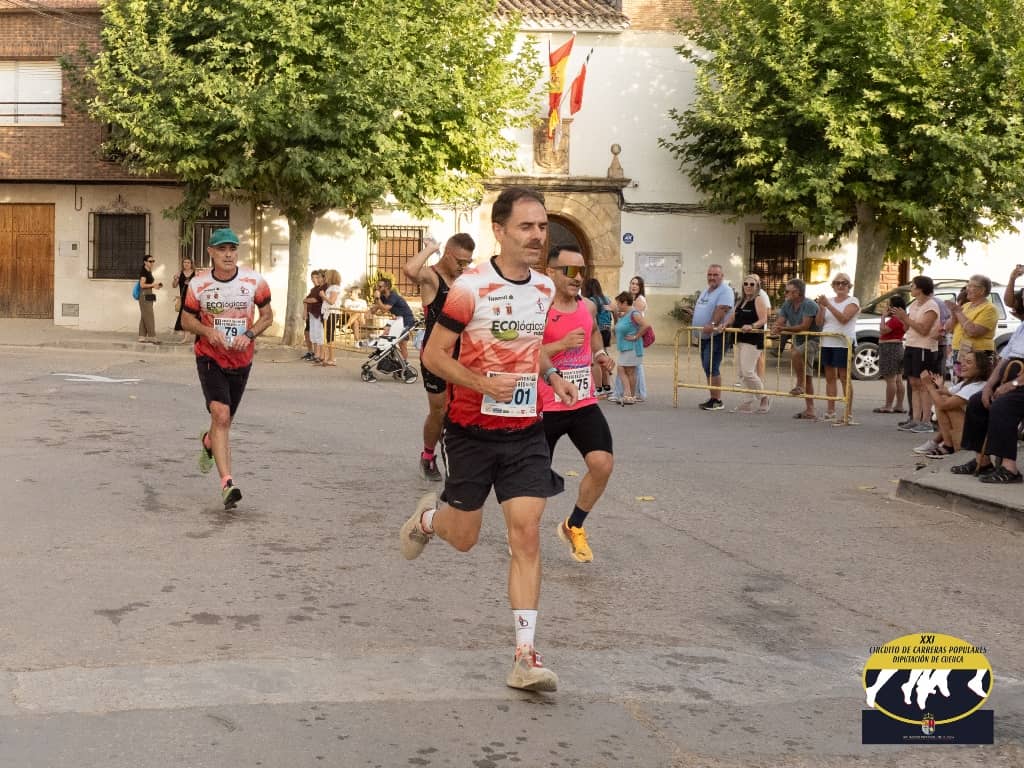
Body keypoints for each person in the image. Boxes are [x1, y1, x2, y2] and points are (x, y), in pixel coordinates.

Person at [397, 187, 578, 692]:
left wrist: (552, 376)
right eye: (526, 226)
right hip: (471, 432)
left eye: (541, 227)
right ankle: (429, 519)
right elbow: (433, 356)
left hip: (525, 431)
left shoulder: (543, 288)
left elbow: (530, 350)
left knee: (527, 535)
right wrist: (480, 383)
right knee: (464, 538)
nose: (537, 235)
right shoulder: (469, 288)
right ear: (499, 231)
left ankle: (525, 655)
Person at [181, 228, 273, 510]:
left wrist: (250, 334)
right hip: (210, 357)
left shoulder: (254, 281)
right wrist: (207, 331)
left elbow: (267, 316)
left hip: (241, 360)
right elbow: (186, 320)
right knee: (220, 414)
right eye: (222, 249)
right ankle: (227, 484)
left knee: (224, 422)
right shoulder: (198, 284)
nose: (228, 254)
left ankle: (209, 441)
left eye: (232, 248)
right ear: (211, 252)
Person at [541, 245, 615, 563]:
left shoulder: (588, 305)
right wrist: (561, 344)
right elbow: (527, 351)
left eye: (581, 271)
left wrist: (600, 354)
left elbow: (594, 332)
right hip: (544, 404)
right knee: (533, 477)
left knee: (602, 464)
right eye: (569, 270)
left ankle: (574, 525)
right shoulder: (539, 309)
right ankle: (520, 530)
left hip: (582, 401)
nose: (577, 277)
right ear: (550, 272)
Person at [402, 232, 476, 481]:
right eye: (460, 261)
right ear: (447, 255)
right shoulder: (432, 278)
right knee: (440, 411)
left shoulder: (467, 279)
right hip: (435, 356)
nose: (464, 266)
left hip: (464, 354)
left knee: (465, 410)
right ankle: (428, 455)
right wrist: (430, 249)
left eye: (468, 262)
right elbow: (410, 270)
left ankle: (462, 460)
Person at [950, 325, 1024, 482]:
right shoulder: (1021, 328)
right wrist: (988, 386)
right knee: (977, 401)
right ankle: (982, 461)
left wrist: (1014, 384)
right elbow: (1004, 360)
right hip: (1010, 380)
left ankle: (1009, 468)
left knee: (1002, 406)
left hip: (1019, 383)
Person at [915, 351, 993, 457]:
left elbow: (943, 404)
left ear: (980, 368)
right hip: (972, 430)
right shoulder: (966, 383)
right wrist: (936, 386)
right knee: (943, 400)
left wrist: (929, 386)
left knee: (944, 403)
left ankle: (948, 446)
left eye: (968, 362)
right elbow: (945, 392)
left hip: (977, 436)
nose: (963, 364)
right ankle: (940, 443)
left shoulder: (977, 386)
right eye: (963, 361)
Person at [890, 276, 941, 434]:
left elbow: (924, 330)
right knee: (913, 383)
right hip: (911, 345)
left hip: (924, 348)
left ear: (920, 288)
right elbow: (907, 328)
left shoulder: (931, 306)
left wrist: (906, 318)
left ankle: (926, 421)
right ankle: (916, 419)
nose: (911, 289)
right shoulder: (914, 305)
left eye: (913, 286)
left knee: (924, 384)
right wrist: (902, 319)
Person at [772, 278, 820, 420]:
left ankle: (800, 384)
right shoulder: (787, 304)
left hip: (813, 340)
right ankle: (810, 409)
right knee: (808, 376)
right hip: (799, 340)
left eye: (788, 291)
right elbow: (780, 321)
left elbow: (804, 326)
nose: (785, 293)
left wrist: (783, 329)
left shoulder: (809, 304)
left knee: (796, 353)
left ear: (797, 292)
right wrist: (776, 327)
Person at [815, 272, 859, 422]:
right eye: (837, 283)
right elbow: (819, 322)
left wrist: (828, 305)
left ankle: (848, 412)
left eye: (844, 283)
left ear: (849, 286)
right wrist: (821, 308)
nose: (840, 285)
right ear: (833, 286)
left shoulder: (853, 301)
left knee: (844, 377)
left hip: (843, 343)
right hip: (827, 341)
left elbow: (844, 319)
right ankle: (830, 410)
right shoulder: (829, 301)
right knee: (829, 377)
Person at [692, 264, 734, 410]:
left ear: (722, 276)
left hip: (717, 335)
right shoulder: (707, 290)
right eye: (709, 275)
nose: (712, 277)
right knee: (707, 365)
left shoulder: (725, 290)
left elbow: (723, 308)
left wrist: (712, 323)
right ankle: (713, 397)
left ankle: (717, 400)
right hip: (704, 336)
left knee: (711, 365)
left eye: (715, 275)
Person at [729, 274, 770, 413]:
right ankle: (747, 401)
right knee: (741, 373)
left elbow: (763, 319)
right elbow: (732, 317)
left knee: (748, 372)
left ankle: (764, 397)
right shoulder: (741, 301)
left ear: (757, 286)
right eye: (746, 284)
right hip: (740, 339)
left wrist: (752, 326)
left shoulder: (758, 299)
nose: (748, 286)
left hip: (752, 340)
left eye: (752, 284)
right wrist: (724, 325)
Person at [946, 274, 997, 374]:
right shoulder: (966, 306)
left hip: (978, 353)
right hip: (960, 350)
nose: (967, 289)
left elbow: (973, 331)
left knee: (976, 381)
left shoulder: (989, 309)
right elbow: (948, 329)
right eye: (967, 286)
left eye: (971, 286)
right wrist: (953, 314)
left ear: (982, 290)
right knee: (959, 381)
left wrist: (958, 312)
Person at [610, 275, 648, 402]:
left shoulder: (635, 309)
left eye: (637, 284)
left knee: (629, 371)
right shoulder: (627, 310)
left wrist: (636, 336)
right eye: (632, 283)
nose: (634, 286)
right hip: (625, 346)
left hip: (632, 346)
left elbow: (645, 325)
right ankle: (628, 394)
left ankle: (631, 395)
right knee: (625, 370)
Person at [873, 294, 907, 414]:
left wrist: (883, 317)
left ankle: (888, 405)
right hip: (897, 347)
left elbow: (883, 330)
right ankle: (899, 405)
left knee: (891, 379)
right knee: (898, 379)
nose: (886, 307)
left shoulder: (895, 320)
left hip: (889, 348)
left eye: (888, 305)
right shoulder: (903, 319)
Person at [581, 277, 613, 397]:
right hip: (607, 331)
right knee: (603, 356)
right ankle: (607, 386)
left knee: (595, 361)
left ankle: (598, 388)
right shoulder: (606, 299)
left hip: (597, 331)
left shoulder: (591, 301)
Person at [372, 277, 415, 360]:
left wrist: (377, 299)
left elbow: (385, 309)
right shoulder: (383, 297)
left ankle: (404, 364)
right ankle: (392, 361)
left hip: (406, 321)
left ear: (387, 287)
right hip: (397, 321)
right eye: (377, 286)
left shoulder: (393, 296)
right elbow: (374, 310)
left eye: (380, 287)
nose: (377, 288)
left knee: (402, 344)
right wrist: (375, 304)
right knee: (386, 339)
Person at [319, 269, 343, 367]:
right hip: (328, 313)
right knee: (328, 335)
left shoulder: (335, 288)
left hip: (332, 313)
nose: (325, 278)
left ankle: (332, 358)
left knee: (330, 336)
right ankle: (330, 357)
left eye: (327, 276)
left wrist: (323, 296)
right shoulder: (331, 287)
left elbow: (332, 301)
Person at [137, 255, 162, 343]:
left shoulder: (148, 271)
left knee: (145, 315)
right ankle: (152, 337)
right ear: (145, 262)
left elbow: (148, 284)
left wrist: (155, 286)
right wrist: (153, 285)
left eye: (153, 261)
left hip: (148, 293)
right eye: (150, 261)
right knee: (149, 316)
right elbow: (142, 285)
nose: (152, 263)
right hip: (144, 294)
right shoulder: (144, 272)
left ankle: (142, 336)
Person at [172, 257, 195, 344]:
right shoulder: (179, 273)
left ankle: (196, 337)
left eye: (188, 262)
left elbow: (200, 286)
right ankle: (186, 337)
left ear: (191, 264)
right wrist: (175, 279)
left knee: (194, 317)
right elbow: (174, 286)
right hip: (184, 298)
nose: (186, 264)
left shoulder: (195, 273)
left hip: (193, 298)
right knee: (184, 317)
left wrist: (191, 284)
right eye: (185, 262)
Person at [303, 270, 325, 363]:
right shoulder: (313, 290)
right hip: (311, 314)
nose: (314, 279)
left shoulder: (322, 288)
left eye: (317, 277)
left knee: (318, 334)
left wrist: (307, 300)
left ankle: (319, 354)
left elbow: (314, 300)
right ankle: (312, 352)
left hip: (318, 314)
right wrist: (305, 311)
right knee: (310, 333)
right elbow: (306, 300)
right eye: (312, 277)